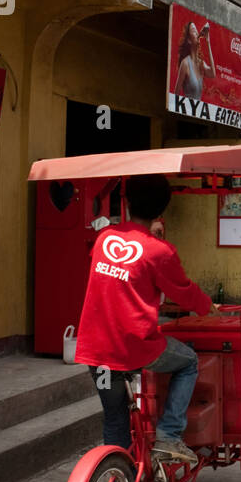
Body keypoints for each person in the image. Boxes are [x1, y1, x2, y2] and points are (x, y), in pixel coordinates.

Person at [75, 174, 217, 466]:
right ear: (161, 210)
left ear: (126, 203)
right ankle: (168, 435)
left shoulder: (105, 239)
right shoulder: (160, 251)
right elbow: (186, 293)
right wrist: (208, 306)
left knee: (115, 420)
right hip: (135, 348)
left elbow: (124, 272)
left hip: (96, 349)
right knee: (188, 361)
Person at [175, 20, 216, 101]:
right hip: (187, 111)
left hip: (196, 112)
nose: (197, 33)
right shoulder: (185, 63)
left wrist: (208, 41)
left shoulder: (201, 63)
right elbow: (176, 93)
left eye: (197, 30)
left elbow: (213, 74)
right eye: (194, 31)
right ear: (189, 40)